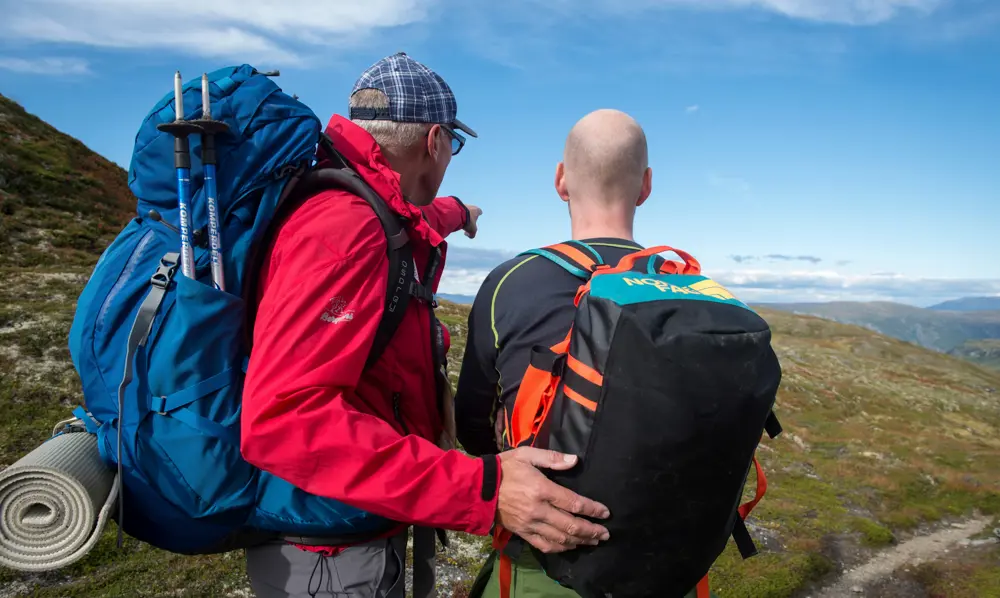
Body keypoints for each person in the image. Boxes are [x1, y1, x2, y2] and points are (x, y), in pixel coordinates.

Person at [239, 52, 611, 598]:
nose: (449, 158)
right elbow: (284, 420)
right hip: (328, 548)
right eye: (452, 147)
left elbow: (406, 212)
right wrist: (482, 489)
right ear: (434, 141)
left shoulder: (354, 195)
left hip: (352, 517)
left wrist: (458, 212)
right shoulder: (344, 232)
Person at [455, 108, 718, 598]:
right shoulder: (693, 288)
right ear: (646, 186)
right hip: (671, 567)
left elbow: (472, 427)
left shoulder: (510, 284)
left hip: (545, 562)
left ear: (561, 181)